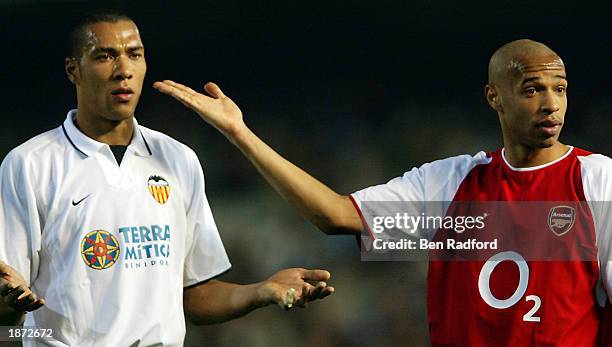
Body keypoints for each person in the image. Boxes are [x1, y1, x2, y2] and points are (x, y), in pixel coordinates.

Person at [153, 39, 612, 345]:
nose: (551, 103)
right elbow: (335, 216)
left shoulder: (596, 180)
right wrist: (241, 135)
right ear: (494, 97)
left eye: (560, 88)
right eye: (533, 89)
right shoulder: (453, 184)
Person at [0, 11, 334, 346]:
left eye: (135, 54)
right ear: (74, 70)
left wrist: (261, 291)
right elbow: (9, 305)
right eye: (105, 56)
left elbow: (195, 294)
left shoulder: (178, 159)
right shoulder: (29, 165)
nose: (124, 70)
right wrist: (9, 308)